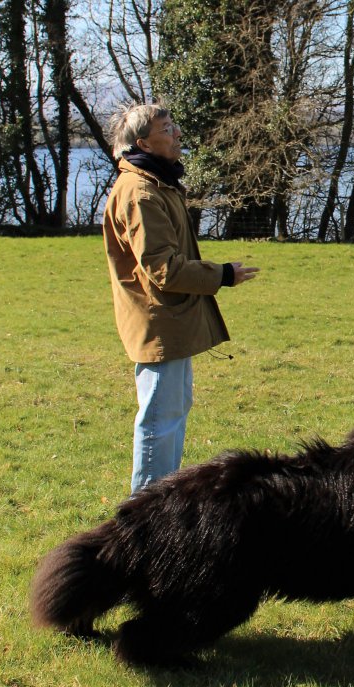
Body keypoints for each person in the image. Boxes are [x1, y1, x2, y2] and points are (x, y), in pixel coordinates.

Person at [102, 102, 259, 494]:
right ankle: (145, 517)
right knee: (160, 421)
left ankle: (156, 507)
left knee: (170, 413)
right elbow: (163, 269)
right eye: (167, 128)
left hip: (168, 321)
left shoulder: (155, 183)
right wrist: (221, 274)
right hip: (159, 323)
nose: (176, 135)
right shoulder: (141, 192)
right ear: (143, 142)